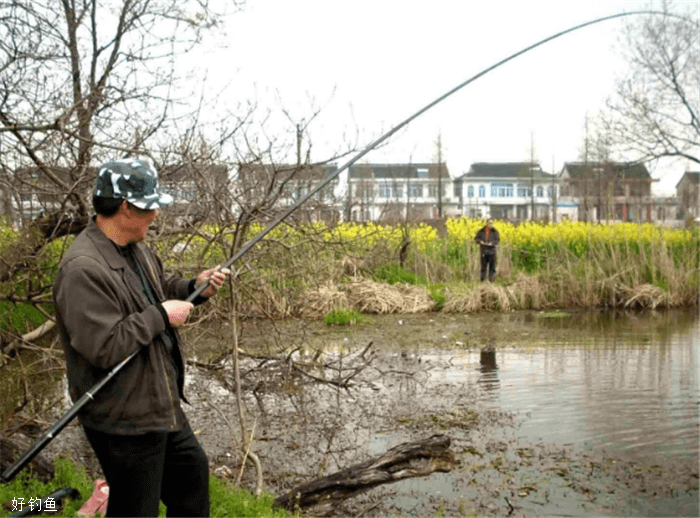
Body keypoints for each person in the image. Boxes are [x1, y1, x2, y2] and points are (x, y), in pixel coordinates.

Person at [53, 158, 229, 517]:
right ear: (125, 208)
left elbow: (158, 290)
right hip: (123, 419)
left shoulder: (137, 248)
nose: (157, 215)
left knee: (192, 482)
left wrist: (194, 287)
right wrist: (162, 315)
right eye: (150, 207)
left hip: (160, 404)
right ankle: (41, 504)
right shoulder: (82, 269)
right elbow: (104, 346)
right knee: (136, 509)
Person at [474, 218, 500, 282]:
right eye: (489, 223)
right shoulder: (481, 231)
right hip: (483, 251)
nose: (490, 225)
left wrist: (492, 243)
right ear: (487, 223)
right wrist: (480, 241)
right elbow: (476, 239)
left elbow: (497, 240)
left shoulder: (495, 232)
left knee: (492, 267)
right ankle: (482, 281)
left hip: (492, 251)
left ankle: (492, 281)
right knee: (483, 267)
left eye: (491, 223)